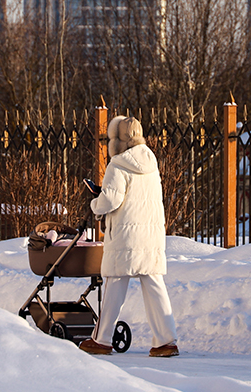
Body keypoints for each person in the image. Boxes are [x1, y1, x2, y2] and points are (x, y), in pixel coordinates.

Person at [79, 115, 179, 357]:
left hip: (125, 235)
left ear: (117, 140)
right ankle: (166, 341)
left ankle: (102, 340)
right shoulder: (151, 162)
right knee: (154, 285)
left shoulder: (118, 165)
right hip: (150, 234)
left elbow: (111, 200)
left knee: (114, 284)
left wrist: (95, 203)